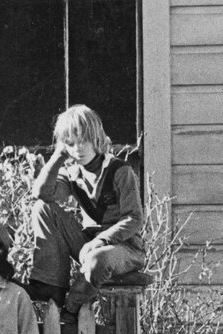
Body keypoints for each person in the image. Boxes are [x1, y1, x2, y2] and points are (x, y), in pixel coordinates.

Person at [26, 104, 146, 320]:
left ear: (96, 138)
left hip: (123, 248)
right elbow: (41, 194)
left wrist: (101, 241)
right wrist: (58, 157)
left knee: (96, 260)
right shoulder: (72, 173)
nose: (77, 149)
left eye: (83, 141)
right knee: (42, 208)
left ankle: (71, 307)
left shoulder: (120, 170)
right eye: (70, 144)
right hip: (88, 243)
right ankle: (51, 285)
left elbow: (134, 218)